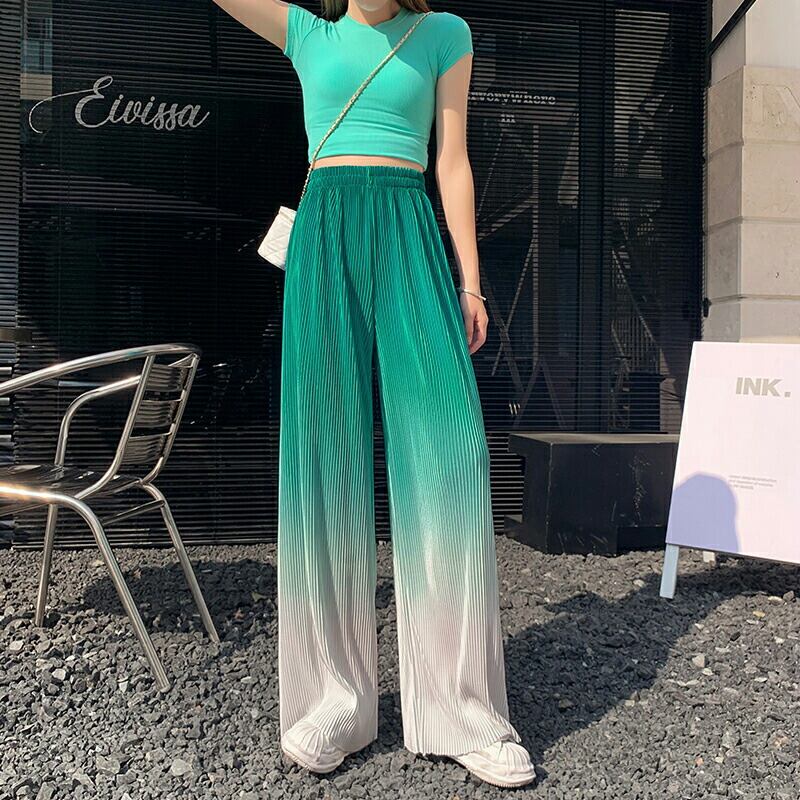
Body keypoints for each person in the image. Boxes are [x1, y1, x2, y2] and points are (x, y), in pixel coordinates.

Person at [212, 0, 537, 788]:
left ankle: (462, 707)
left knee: (451, 454)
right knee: (323, 458)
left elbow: (452, 161)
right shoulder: (307, 33)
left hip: (407, 226)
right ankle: (334, 699)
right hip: (325, 230)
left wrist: (472, 282)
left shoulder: (442, 34)